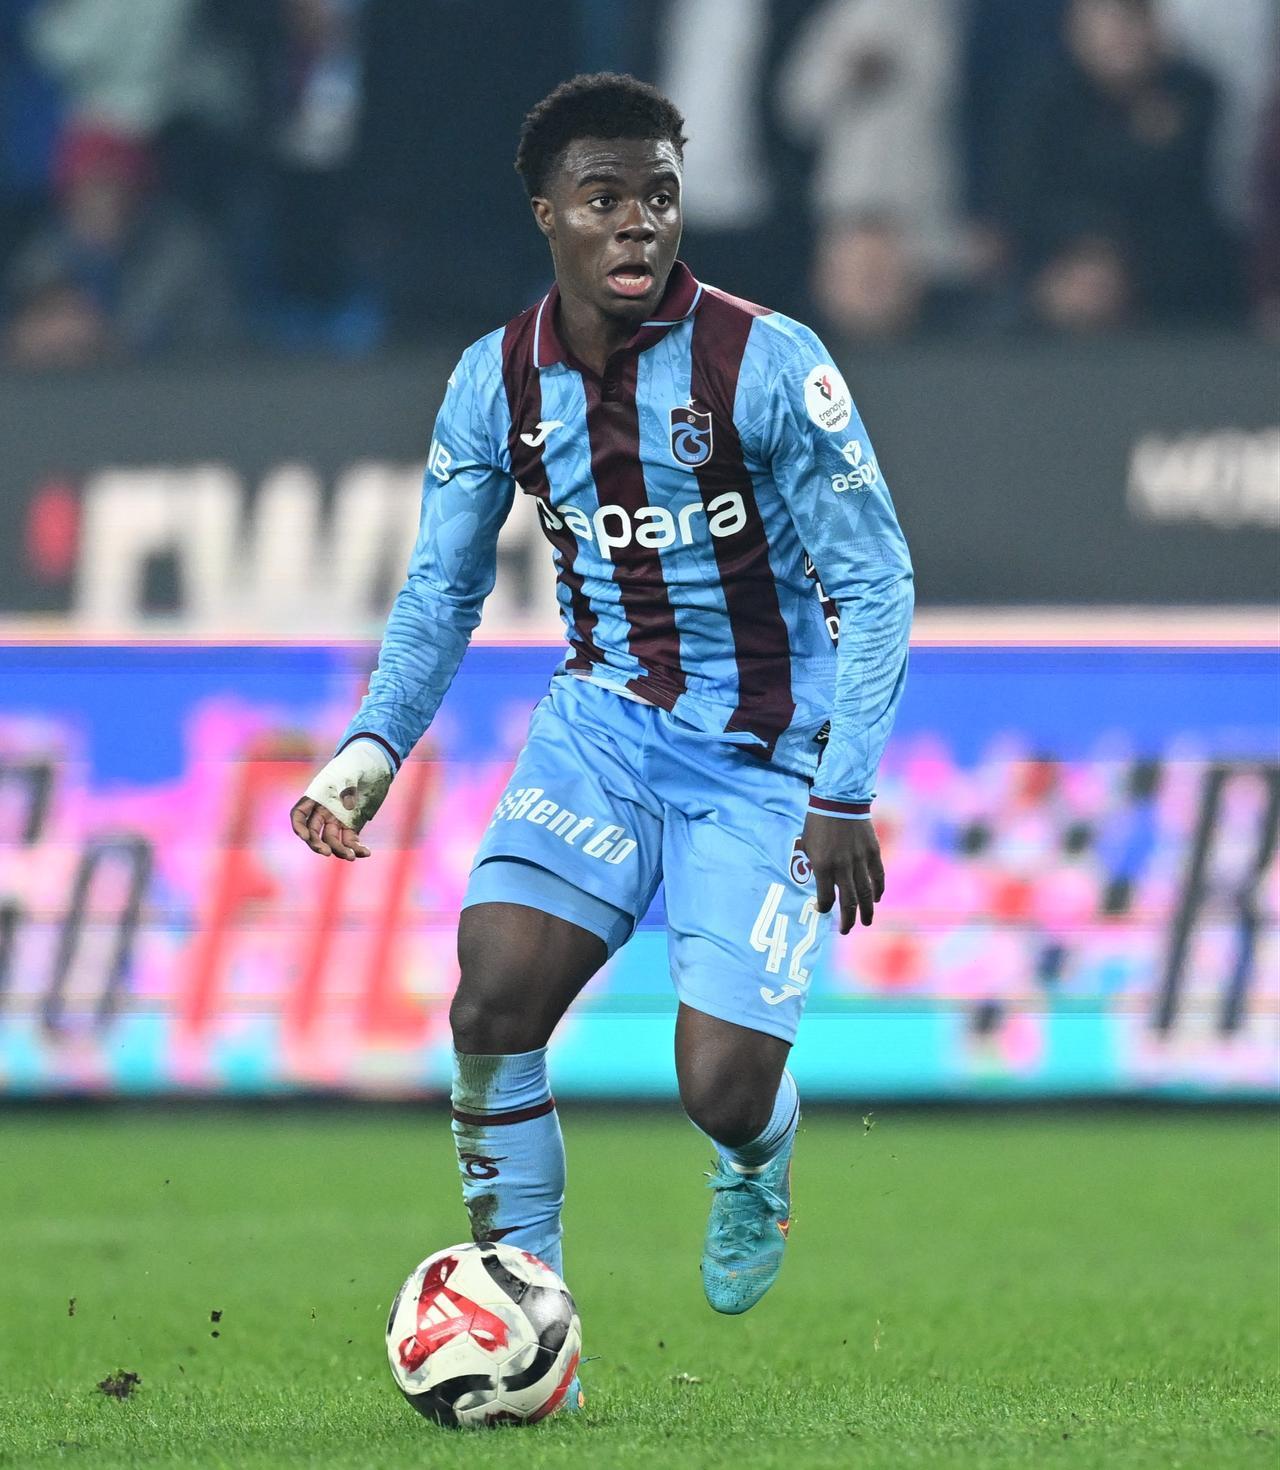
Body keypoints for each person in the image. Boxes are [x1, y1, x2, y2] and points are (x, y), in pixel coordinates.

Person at [290, 73, 913, 1405]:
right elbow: (443, 592)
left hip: (765, 757)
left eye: (661, 197)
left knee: (722, 1082)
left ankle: (759, 1160)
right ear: (548, 215)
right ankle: (530, 1316)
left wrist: (844, 789)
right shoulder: (495, 381)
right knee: (492, 991)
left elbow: (879, 583)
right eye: (606, 199)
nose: (639, 224)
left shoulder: (770, 364)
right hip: (607, 729)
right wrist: (371, 746)